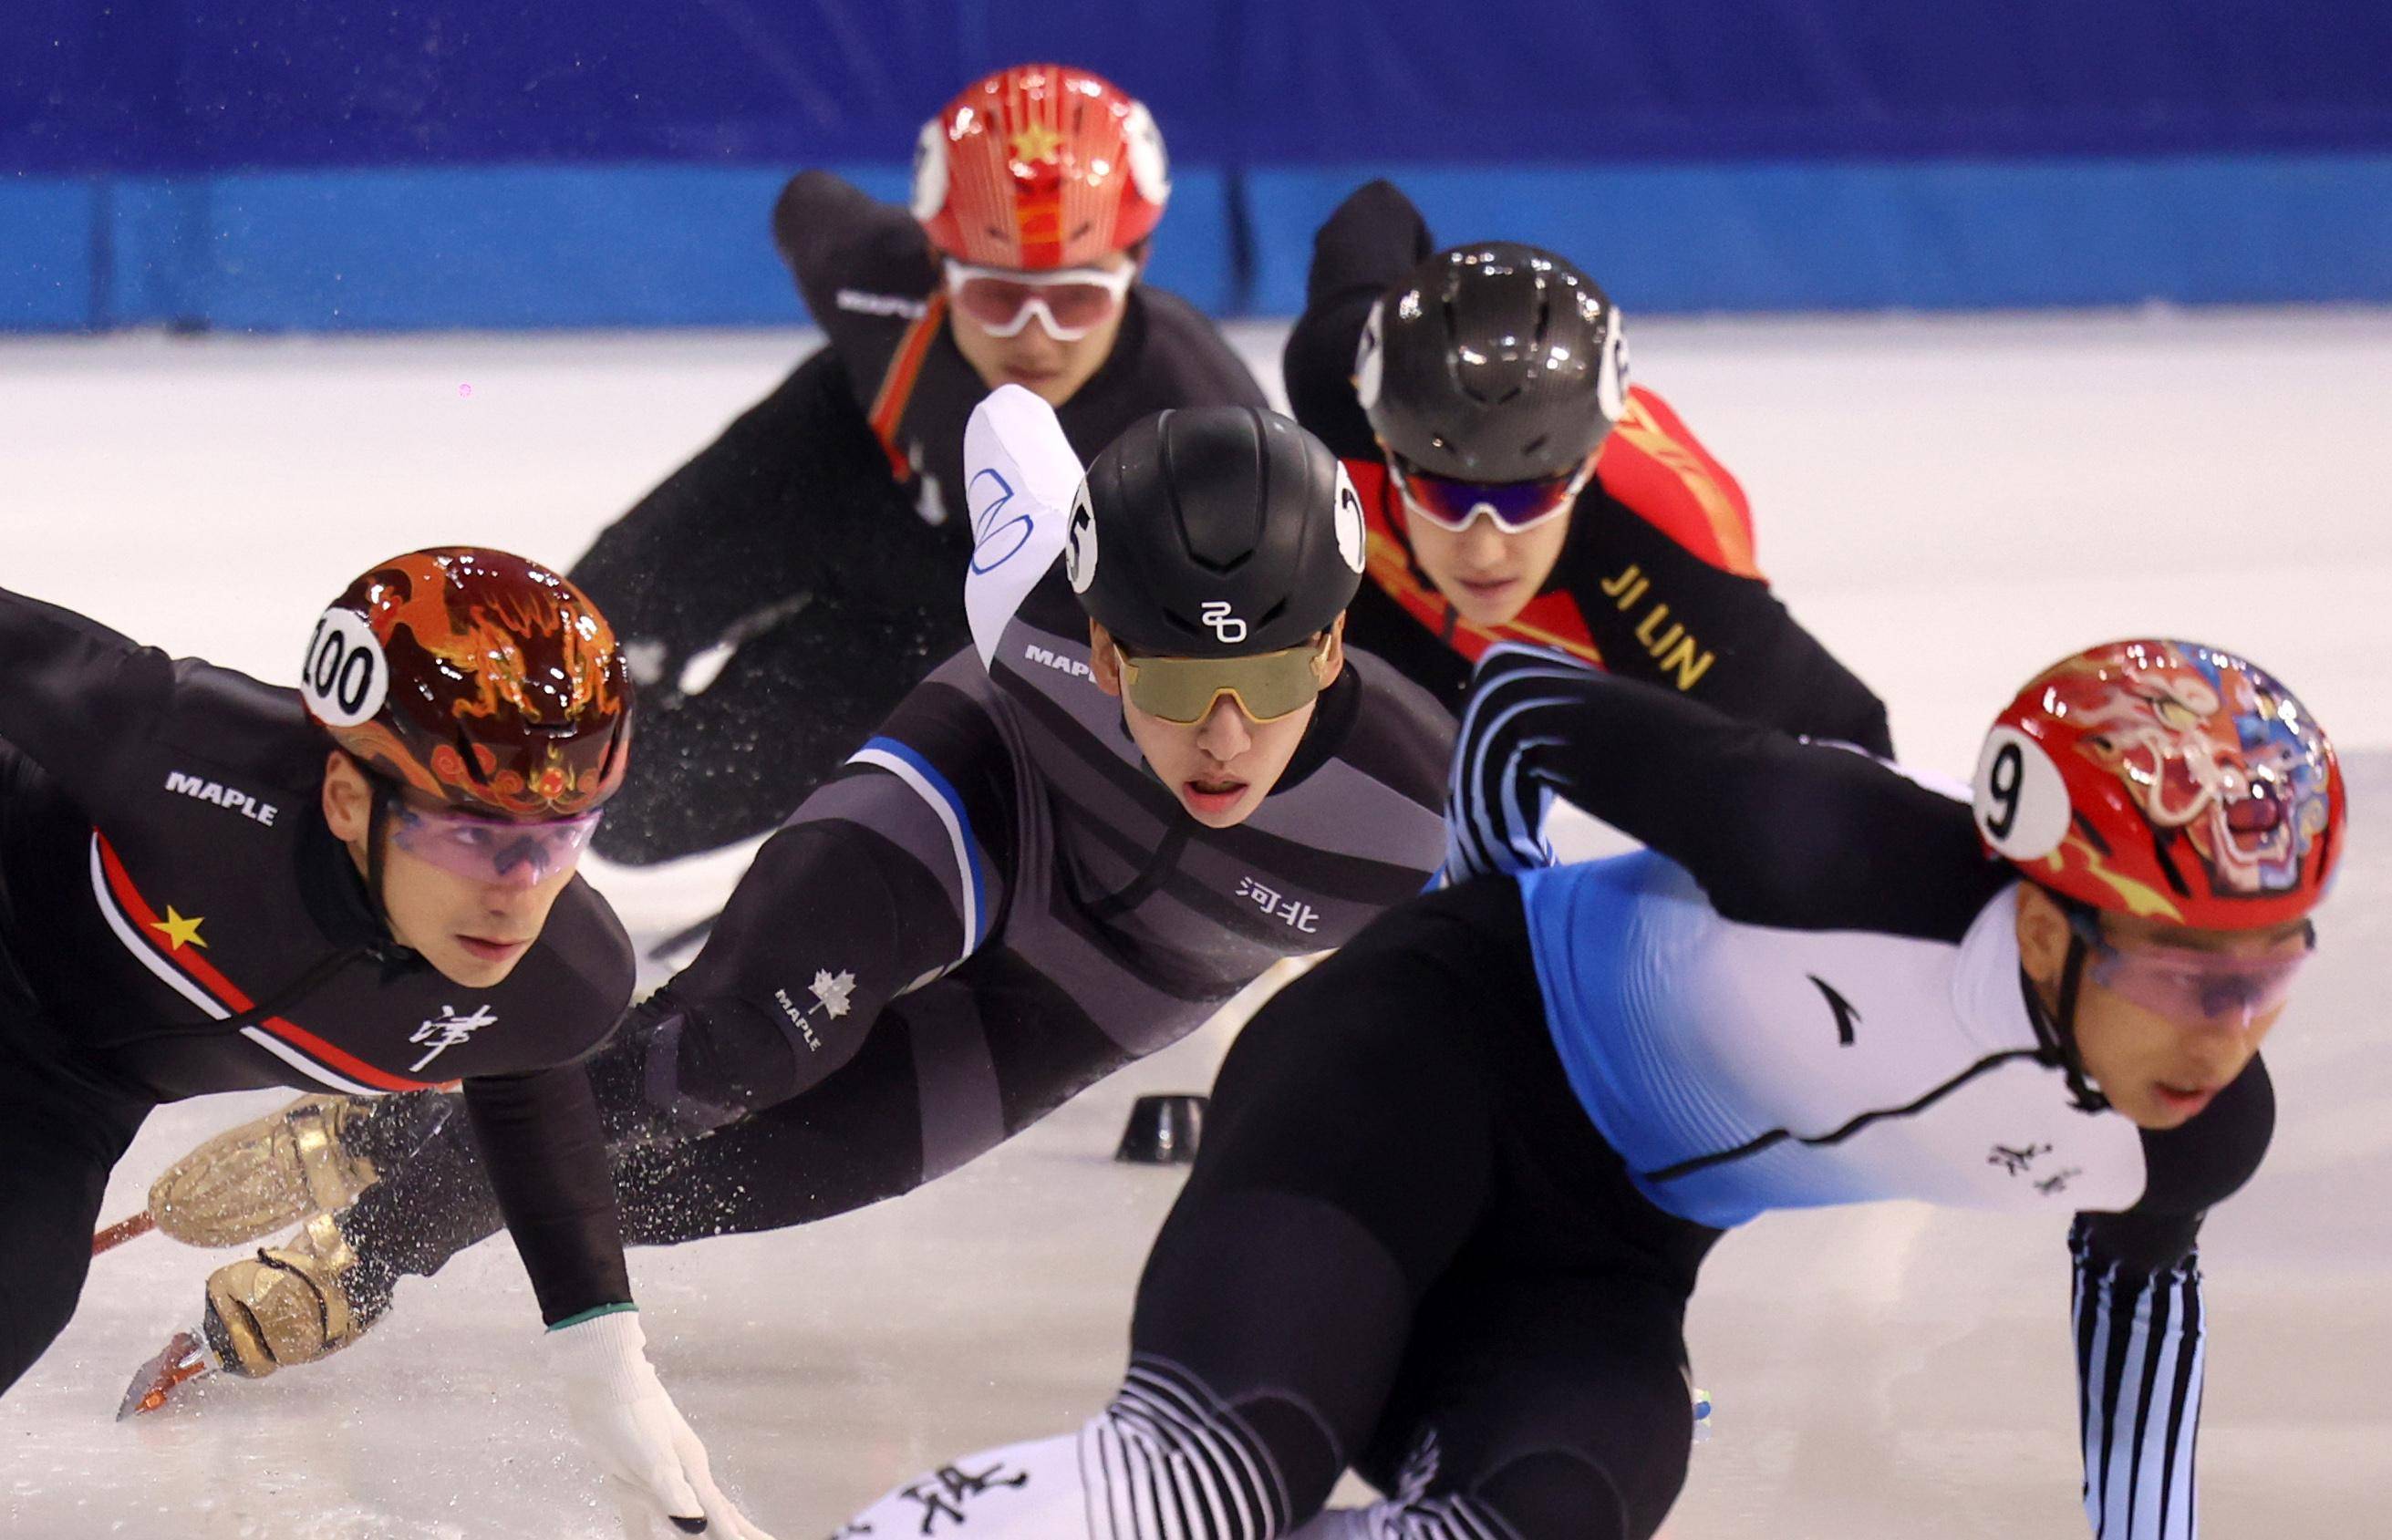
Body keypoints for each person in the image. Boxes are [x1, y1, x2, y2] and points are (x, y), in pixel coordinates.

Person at [834, 636, 2343, 1539]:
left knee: (1557, 1507)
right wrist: (1469, 929)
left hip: (1598, 1262)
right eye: (2186, 976)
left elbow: (2136, 1301)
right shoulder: (1819, 842)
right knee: (1217, 1472)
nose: (2225, 1034)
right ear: (2044, 924)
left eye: (2266, 972)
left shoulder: (2191, 1132)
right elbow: (1516, 705)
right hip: (1416, 1069)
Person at [132, 391, 1456, 1389]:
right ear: (1103, 649)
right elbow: (1001, 418)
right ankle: (362, 1257)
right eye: (1171, 682)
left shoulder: (1426, 821)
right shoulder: (1032, 610)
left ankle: (404, 1132)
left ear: (1330, 644)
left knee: (745, 1175)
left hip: (1107, 986)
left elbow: (1515, 1046)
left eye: (1269, 680)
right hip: (985, 797)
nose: (1224, 739)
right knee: (732, 1045)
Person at [0, 550, 765, 1537]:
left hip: (66, 1095)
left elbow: (529, 1087)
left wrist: (607, 1368)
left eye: (558, 837)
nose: (516, 892)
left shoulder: (559, 982)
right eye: (470, 835)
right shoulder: (184, 748)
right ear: (348, 798)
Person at [572, 62, 1268, 877]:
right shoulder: (872, 276)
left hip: (953, 613)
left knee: (649, 811)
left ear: (1136, 263)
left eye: (1075, 298)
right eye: (996, 295)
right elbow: (807, 200)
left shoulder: (1196, 423)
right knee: (575, 709)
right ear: (939, 264)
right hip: (833, 470)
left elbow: (1263, 655)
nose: (1034, 337)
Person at [1283, 179, 1890, 751]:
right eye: (1446, 496)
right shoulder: (1340, 382)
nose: (1484, 551)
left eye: (1526, 500)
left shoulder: (1673, 573)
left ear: (1588, 463)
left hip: (1612, 672)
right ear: (1388, 447)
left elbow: (1853, 742)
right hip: (1399, 625)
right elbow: (1377, 208)